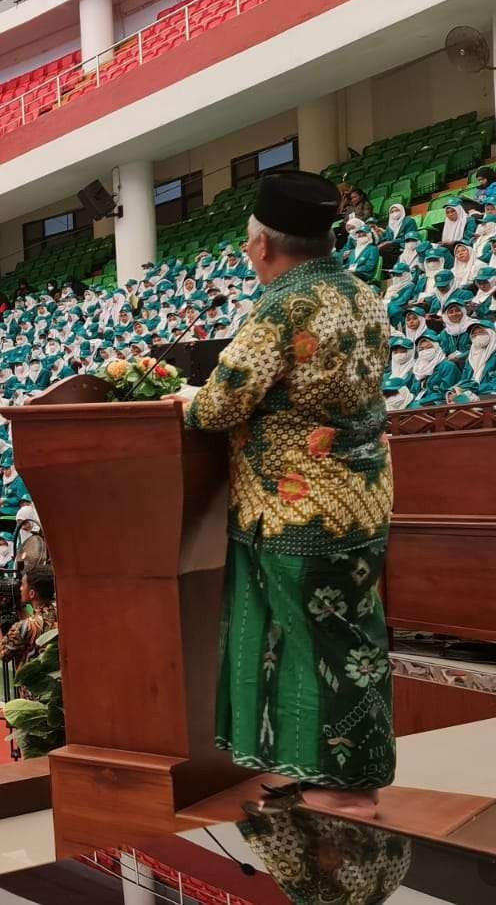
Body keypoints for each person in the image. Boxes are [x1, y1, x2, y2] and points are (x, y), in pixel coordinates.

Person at [183, 171, 394, 819]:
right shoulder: (362, 294)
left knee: (320, 643)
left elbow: (218, 405)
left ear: (267, 247)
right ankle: (321, 771)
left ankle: (348, 785)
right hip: (360, 499)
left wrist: (190, 402)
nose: (249, 254)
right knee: (343, 635)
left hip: (298, 506)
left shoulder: (283, 307)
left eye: (250, 244)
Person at [0, 565, 58, 676]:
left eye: (22, 585)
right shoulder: (60, 614)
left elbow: (0, 652)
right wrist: (20, 608)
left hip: (32, 688)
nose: (20, 588)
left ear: (32, 593)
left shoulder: (23, 627)